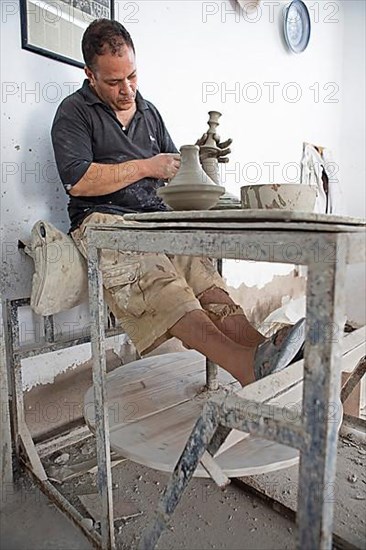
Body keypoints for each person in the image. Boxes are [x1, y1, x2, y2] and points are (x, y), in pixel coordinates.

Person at [51, 19, 305, 386]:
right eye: (114, 82)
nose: (128, 89)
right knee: (164, 283)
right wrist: (145, 167)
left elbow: (173, 170)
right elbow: (78, 181)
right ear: (90, 75)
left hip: (155, 220)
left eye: (133, 76)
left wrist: (198, 155)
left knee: (205, 278)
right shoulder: (74, 112)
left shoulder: (149, 112)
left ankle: (268, 352)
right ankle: (245, 366)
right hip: (105, 221)